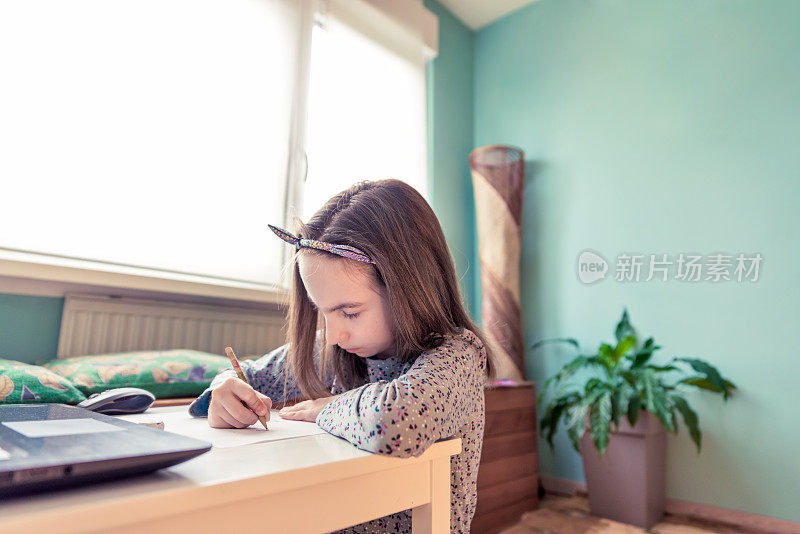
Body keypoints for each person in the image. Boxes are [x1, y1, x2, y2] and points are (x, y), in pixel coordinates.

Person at [189, 179, 497, 533]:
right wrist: (224, 391)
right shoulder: (334, 349)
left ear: (411, 288)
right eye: (323, 311)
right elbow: (247, 375)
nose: (334, 336)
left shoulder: (459, 354)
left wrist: (327, 407)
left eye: (350, 313)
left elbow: (394, 424)